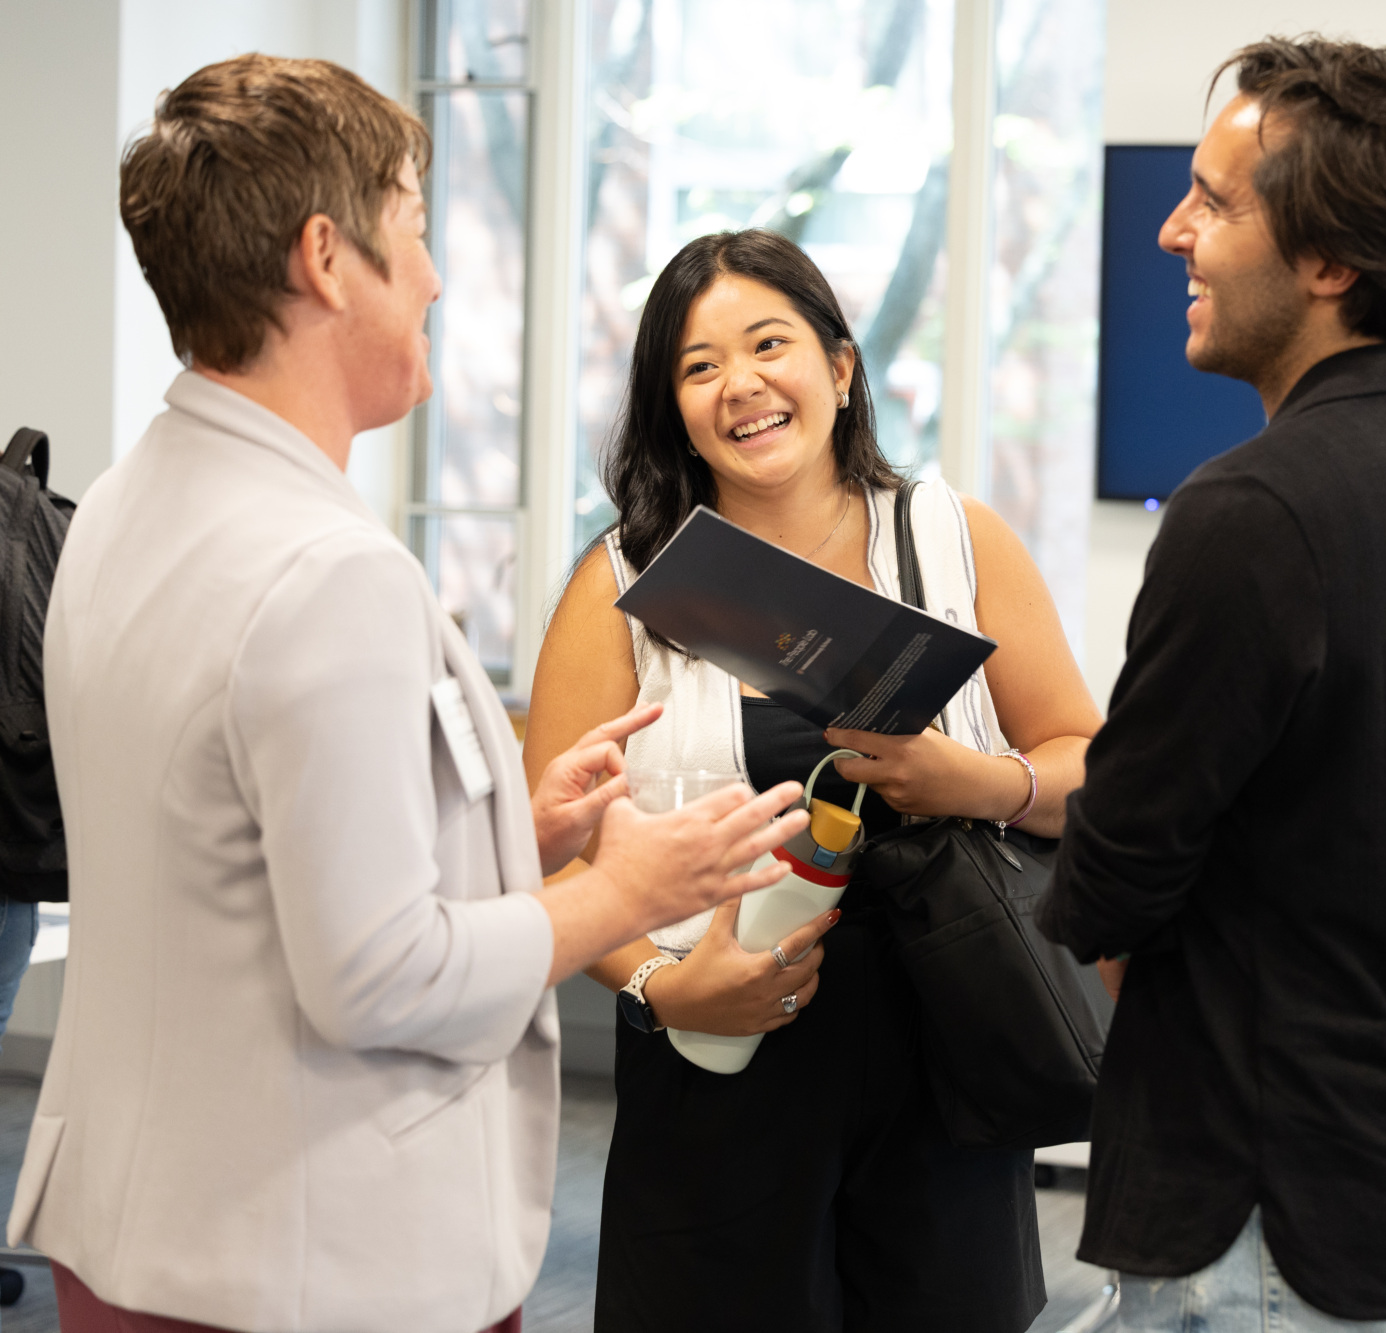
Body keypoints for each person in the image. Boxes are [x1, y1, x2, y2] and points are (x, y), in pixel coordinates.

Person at [9, 55, 810, 1333]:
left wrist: (511, 830)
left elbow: (225, 849)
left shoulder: (121, 503)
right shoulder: (325, 572)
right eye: (417, 234)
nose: (435, 278)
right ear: (329, 259)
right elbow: (380, 980)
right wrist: (621, 890)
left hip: (140, 1226)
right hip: (305, 1262)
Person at [1037, 37, 1386, 1333]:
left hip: (1258, 1223)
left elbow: (1112, 878)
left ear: (1329, 262)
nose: (1173, 232)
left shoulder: (1253, 511)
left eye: (1214, 200)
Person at [525, 227, 1102, 1333]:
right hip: (719, 1060)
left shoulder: (952, 539)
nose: (739, 385)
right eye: (697, 368)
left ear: (838, 367)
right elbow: (547, 858)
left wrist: (975, 781)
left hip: (949, 1055)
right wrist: (658, 984)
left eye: (767, 344)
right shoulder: (623, 585)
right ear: (672, 408)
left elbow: (1089, 766)